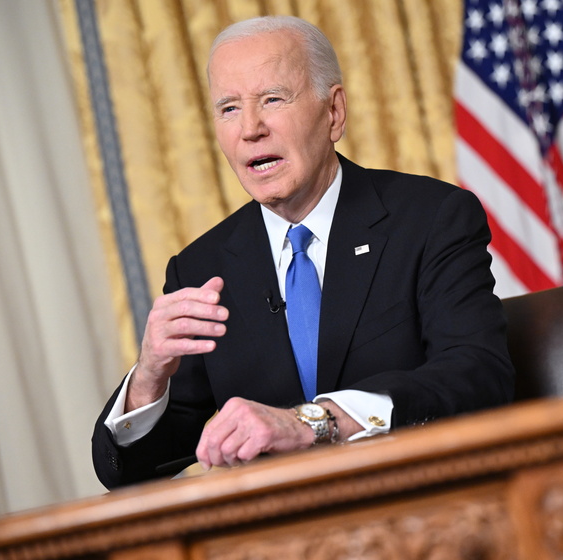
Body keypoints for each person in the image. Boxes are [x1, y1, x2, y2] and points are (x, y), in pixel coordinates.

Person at [92, 15, 514, 489]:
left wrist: (317, 422)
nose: (250, 129)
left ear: (333, 112)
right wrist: (149, 375)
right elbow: (131, 470)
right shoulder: (201, 269)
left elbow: (479, 375)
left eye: (272, 99)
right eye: (229, 108)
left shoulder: (430, 218)